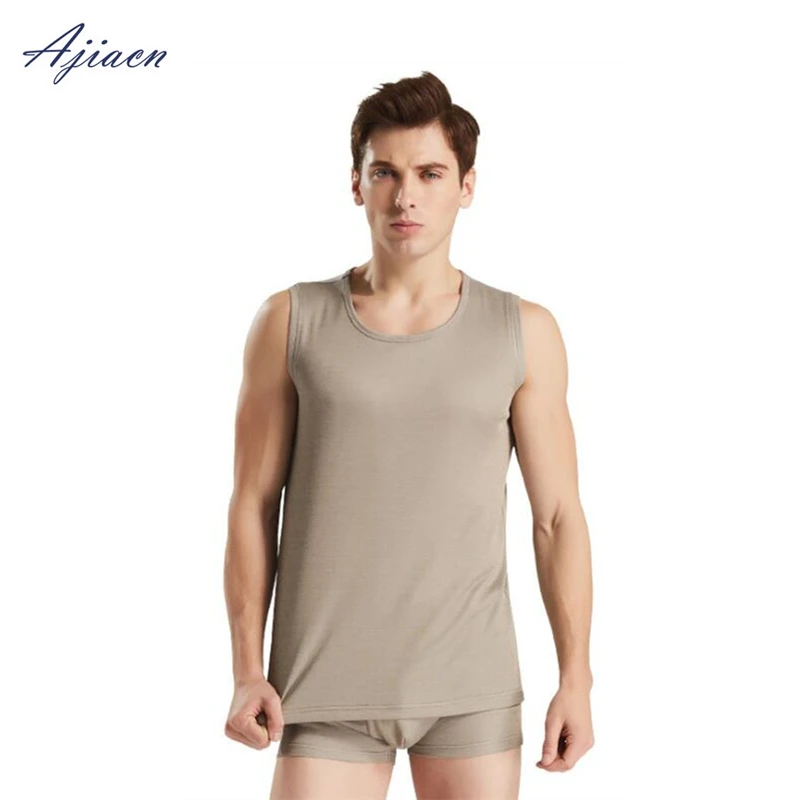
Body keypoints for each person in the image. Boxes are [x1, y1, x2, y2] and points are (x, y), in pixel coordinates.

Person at [223, 71, 594, 800]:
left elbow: (557, 518)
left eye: (430, 173)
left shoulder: (524, 331)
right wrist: (245, 670)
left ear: (467, 186)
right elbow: (252, 505)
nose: (406, 196)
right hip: (322, 687)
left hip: (470, 686)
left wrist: (575, 678)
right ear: (356, 184)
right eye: (385, 172)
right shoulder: (290, 322)